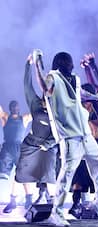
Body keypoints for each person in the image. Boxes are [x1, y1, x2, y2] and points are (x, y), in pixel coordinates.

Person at [36, 51, 98, 226]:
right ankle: (57, 212)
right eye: (67, 61)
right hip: (70, 135)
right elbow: (44, 87)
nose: (70, 64)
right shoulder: (52, 76)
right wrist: (36, 64)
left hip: (85, 133)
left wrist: (94, 97)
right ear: (60, 63)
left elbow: (80, 95)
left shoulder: (75, 79)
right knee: (67, 173)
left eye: (70, 61)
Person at [68, 53, 98, 219]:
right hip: (86, 142)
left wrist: (91, 66)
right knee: (80, 171)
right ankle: (76, 204)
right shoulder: (79, 106)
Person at [14, 52, 60, 207]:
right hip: (33, 143)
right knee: (23, 171)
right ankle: (27, 198)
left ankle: (47, 196)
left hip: (50, 144)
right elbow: (27, 86)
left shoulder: (58, 107)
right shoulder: (35, 103)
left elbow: (61, 131)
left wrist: (48, 144)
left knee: (47, 171)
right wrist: (28, 65)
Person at [0, 99, 33, 213]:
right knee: (4, 174)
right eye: (13, 106)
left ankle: (28, 200)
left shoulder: (24, 118)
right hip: (7, 150)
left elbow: (36, 112)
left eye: (17, 106)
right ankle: (13, 201)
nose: (15, 108)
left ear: (19, 108)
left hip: (19, 150)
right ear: (10, 109)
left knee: (22, 176)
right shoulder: (5, 118)